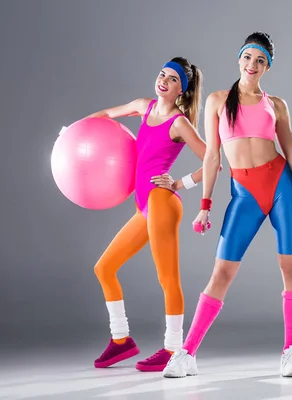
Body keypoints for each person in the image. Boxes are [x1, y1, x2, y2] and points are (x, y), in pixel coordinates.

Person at [162, 32, 292, 379]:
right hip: (244, 193)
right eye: (248, 58)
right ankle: (187, 353)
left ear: (267, 67)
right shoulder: (219, 101)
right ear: (239, 59)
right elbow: (211, 155)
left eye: (260, 61)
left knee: (291, 267)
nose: (252, 65)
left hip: (282, 186)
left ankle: (291, 352)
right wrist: (205, 204)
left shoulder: (276, 105)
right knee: (221, 272)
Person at [87, 56, 212, 372]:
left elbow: (214, 160)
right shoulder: (144, 107)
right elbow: (103, 116)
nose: (163, 81)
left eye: (172, 80)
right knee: (104, 268)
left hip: (161, 200)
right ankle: (121, 340)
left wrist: (181, 183)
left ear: (180, 90)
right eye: (162, 74)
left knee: (167, 276)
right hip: (145, 206)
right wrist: (74, 135)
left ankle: (173, 349)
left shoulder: (179, 122)